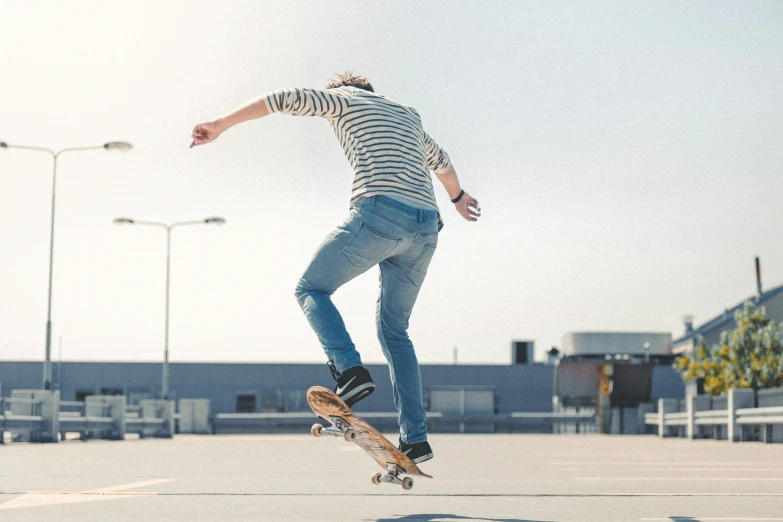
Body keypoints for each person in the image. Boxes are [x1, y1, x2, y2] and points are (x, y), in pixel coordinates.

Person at [190, 72, 480, 464]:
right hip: (427, 227)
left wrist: (219, 125)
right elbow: (441, 162)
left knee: (311, 288)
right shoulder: (408, 114)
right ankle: (416, 438)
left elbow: (281, 98)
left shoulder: (343, 100)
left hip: (380, 214)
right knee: (396, 332)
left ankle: (349, 371)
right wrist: (458, 197)